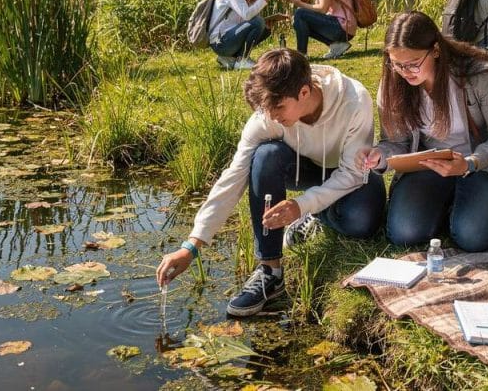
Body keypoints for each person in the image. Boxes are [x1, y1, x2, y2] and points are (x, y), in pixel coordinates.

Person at [156, 49, 386, 316]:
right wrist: (192, 245)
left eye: (278, 107)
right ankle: (270, 271)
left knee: (362, 222)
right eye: (267, 109)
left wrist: (301, 206)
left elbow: (351, 175)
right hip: (304, 169)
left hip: (350, 171)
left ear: (304, 92)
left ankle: (314, 215)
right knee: (265, 156)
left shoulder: (354, 101)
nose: (273, 117)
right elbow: (234, 176)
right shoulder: (268, 115)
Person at [356, 11, 488, 252]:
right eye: (397, 64)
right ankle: (451, 205)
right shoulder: (393, 83)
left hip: (481, 165)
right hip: (429, 166)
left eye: (413, 64)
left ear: (435, 50)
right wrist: (380, 155)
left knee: (473, 237)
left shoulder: (480, 74)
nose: (405, 72)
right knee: (404, 233)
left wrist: (469, 164)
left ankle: (464, 207)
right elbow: (396, 142)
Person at [209, 0, 273, 70]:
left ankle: (230, 59)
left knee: (265, 29)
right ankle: (242, 60)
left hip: (230, 36)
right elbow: (247, 15)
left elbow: (247, 18)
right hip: (221, 42)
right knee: (258, 22)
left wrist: (266, 22)